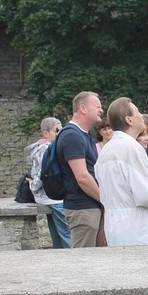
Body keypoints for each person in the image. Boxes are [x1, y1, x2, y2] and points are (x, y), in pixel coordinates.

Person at [95, 98, 148, 246]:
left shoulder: (106, 150)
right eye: (138, 112)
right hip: (138, 229)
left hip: (116, 227)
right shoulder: (132, 148)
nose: (141, 115)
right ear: (129, 120)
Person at [55, 91, 103, 248]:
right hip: (83, 209)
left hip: (90, 207)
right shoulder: (72, 135)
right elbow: (82, 177)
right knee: (83, 262)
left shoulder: (84, 135)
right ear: (83, 108)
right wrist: (106, 200)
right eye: (97, 106)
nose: (101, 110)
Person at [26, 117, 71, 248]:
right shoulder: (45, 149)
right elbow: (41, 173)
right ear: (46, 133)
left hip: (46, 197)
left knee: (57, 235)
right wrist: (33, 186)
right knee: (68, 234)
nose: (59, 134)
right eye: (56, 130)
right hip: (53, 198)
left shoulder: (43, 148)